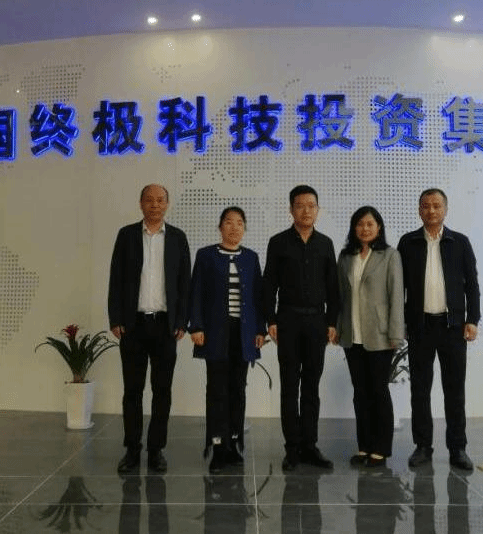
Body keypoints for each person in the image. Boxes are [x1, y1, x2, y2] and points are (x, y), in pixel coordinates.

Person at [108, 184, 191, 474]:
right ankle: (132, 449)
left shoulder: (178, 238)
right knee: (132, 390)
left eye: (160, 200)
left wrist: (182, 321)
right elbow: (116, 278)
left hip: (165, 326)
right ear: (141, 203)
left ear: (167, 204)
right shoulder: (127, 235)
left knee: (162, 390)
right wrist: (115, 318)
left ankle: (156, 450)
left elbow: (184, 283)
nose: (155, 205)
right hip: (133, 325)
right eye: (149, 200)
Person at [397, 188, 480, 471]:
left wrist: (473, 319)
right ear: (419, 210)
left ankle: (458, 449)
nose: (431, 211)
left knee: (454, 391)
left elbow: (472, 284)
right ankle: (423, 446)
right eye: (425, 206)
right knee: (420, 390)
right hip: (420, 327)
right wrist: (401, 322)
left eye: (436, 205)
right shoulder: (408, 242)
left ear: (445, 209)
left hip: (452, 326)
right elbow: (399, 287)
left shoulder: (460, 242)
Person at [262, 185, 340, 471]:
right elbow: (269, 284)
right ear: (291, 209)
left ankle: (310, 445)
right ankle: (292, 448)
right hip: (288, 321)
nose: (306, 210)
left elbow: (333, 287)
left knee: (311, 386)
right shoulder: (278, 242)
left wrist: (332, 322)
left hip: (317, 322)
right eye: (300, 205)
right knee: (289, 386)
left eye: (311, 205)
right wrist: (271, 320)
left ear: (318, 209)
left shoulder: (325, 244)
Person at [188, 207, 266, 473]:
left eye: (240, 223)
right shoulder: (206, 255)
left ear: (245, 228)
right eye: (229, 222)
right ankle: (218, 446)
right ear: (220, 226)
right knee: (217, 389)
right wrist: (196, 326)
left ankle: (234, 442)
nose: (234, 227)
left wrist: (260, 330)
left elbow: (258, 297)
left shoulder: (251, 258)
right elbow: (196, 292)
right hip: (215, 333)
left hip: (243, 334)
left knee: (238, 389)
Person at [335, 206, 404, 468]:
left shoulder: (390, 255)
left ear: (378, 227)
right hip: (352, 335)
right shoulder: (346, 256)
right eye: (360, 224)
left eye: (370, 224)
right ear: (354, 228)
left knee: (378, 391)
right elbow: (340, 295)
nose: (365, 228)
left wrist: (396, 332)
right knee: (360, 393)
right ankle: (363, 446)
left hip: (380, 335)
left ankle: (381, 449)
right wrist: (338, 328)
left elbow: (396, 295)